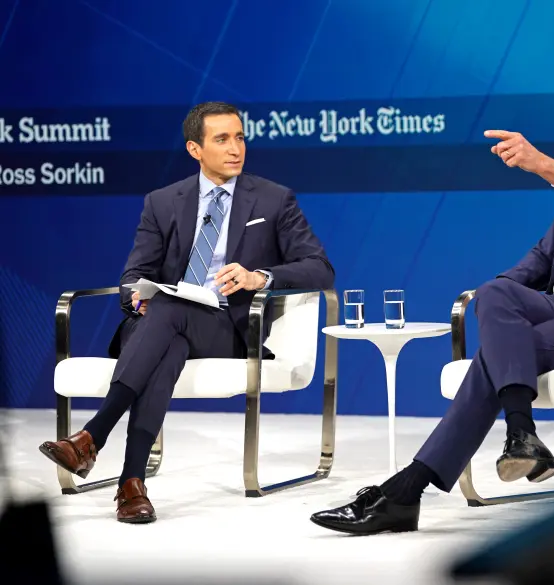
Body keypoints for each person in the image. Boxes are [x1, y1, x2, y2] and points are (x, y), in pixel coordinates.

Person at [310, 53, 554, 535]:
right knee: (497, 293)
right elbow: (544, 257)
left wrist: (550, 169)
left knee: (507, 353)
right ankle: (520, 435)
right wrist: (495, 295)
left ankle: (409, 488)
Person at [38, 102, 334, 524]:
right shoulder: (162, 202)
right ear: (195, 149)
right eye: (222, 139)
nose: (235, 148)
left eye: (239, 137)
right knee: (169, 334)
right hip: (159, 326)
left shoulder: (273, 199)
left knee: (170, 312)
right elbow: (133, 275)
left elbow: (320, 267)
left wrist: (258, 277)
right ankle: (131, 483)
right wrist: (137, 297)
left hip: (226, 327)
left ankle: (93, 436)